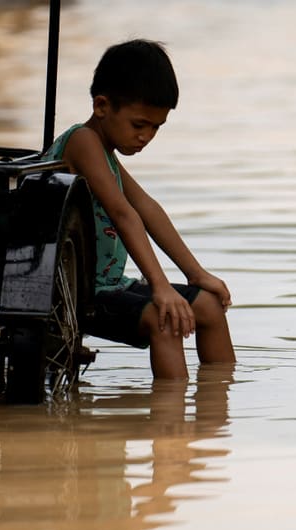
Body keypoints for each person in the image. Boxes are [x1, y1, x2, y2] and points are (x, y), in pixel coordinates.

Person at [44, 39, 234, 379]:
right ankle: (171, 425)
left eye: (156, 128)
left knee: (208, 306)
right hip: (76, 291)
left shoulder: (105, 151)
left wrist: (196, 273)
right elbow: (122, 213)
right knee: (166, 320)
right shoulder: (83, 141)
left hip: (110, 283)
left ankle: (218, 407)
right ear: (102, 106)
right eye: (139, 125)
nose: (146, 136)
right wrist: (160, 287)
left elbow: (145, 207)